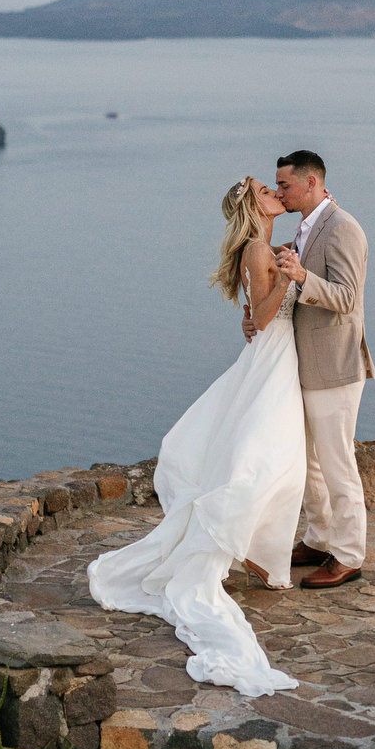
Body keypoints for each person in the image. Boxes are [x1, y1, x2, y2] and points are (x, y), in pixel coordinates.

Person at [87, 175, 304, 697]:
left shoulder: (265, 246)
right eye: (265, 187)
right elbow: (265, 313)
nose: (276, 190)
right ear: (255, 203)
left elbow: (251, 316)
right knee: (268, 462)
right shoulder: (257, 248)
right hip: (273, 361)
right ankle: (250, 552)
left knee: (276, 461)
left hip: (274, 361)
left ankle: (259, 555)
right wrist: (291, 276)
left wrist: (284, 268)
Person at [247, 150, 375, 589]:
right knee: (312, 463)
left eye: (284, 185)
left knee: (338, 463)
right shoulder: (304, 229)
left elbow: (346, 299)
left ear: (312, 182)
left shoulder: (343, 228)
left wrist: (301, 276)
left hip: (335, 367)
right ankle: (320, 539)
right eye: (276, 186)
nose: (279, 191)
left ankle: (350, 555)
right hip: (303, 364)